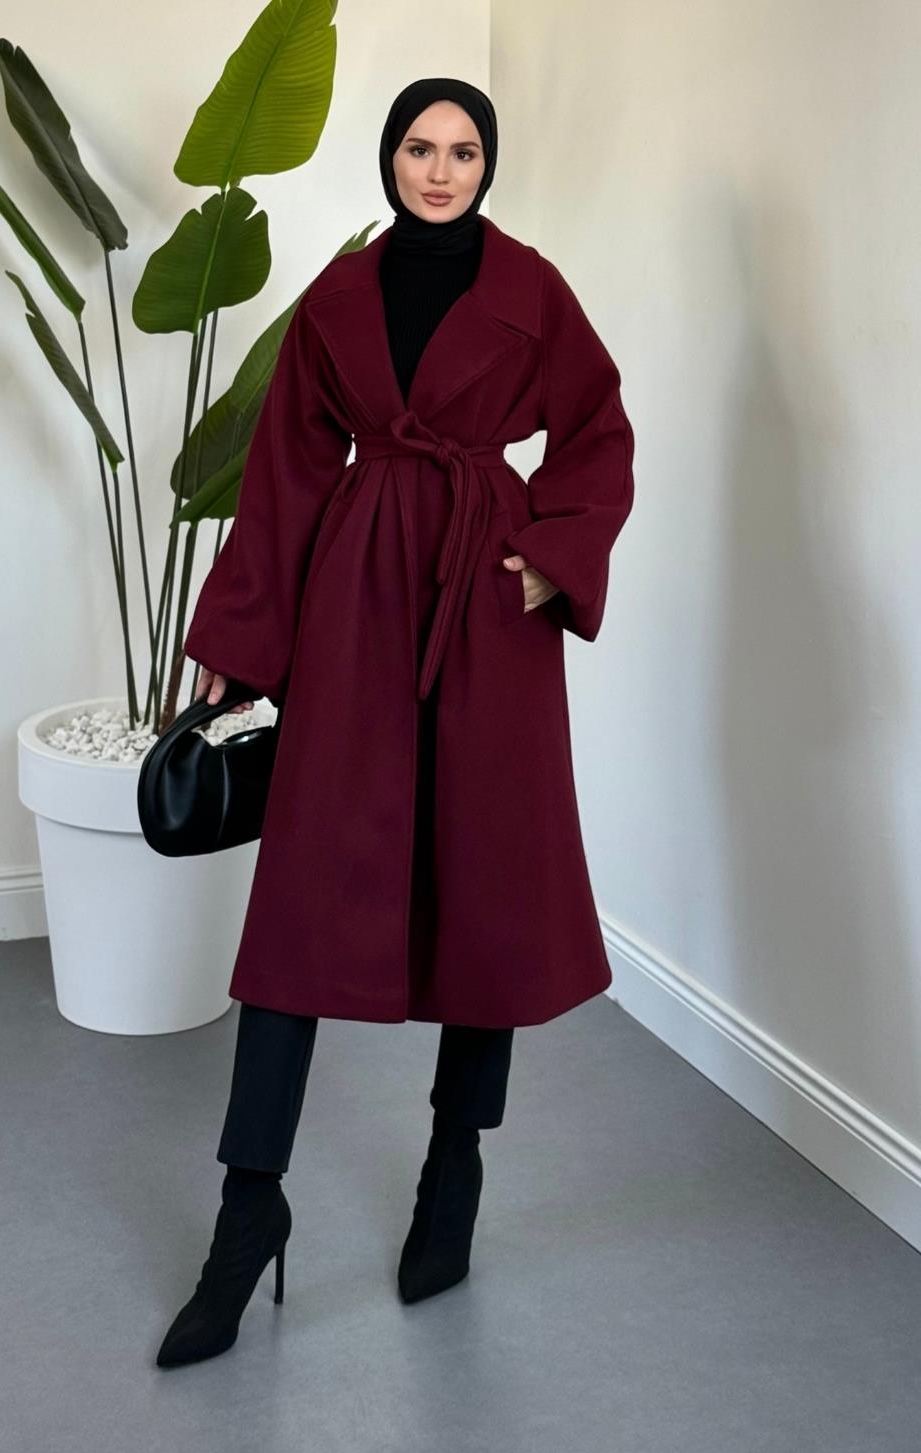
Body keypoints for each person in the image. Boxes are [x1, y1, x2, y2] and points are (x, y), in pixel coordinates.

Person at [156, 77, 634, 1369]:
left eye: (463, 150)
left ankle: (453, 1166)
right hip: (359, 594)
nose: (440, 169)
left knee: (486, 887)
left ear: (488, 163)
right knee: (303, 901)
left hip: (487, 596)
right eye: (420, 147)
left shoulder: (533, 290)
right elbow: (286, 475)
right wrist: (238, 646)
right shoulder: (338, 298)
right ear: (390, 158)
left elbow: (598, 431)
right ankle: (248, 1210)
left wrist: (552, 560)